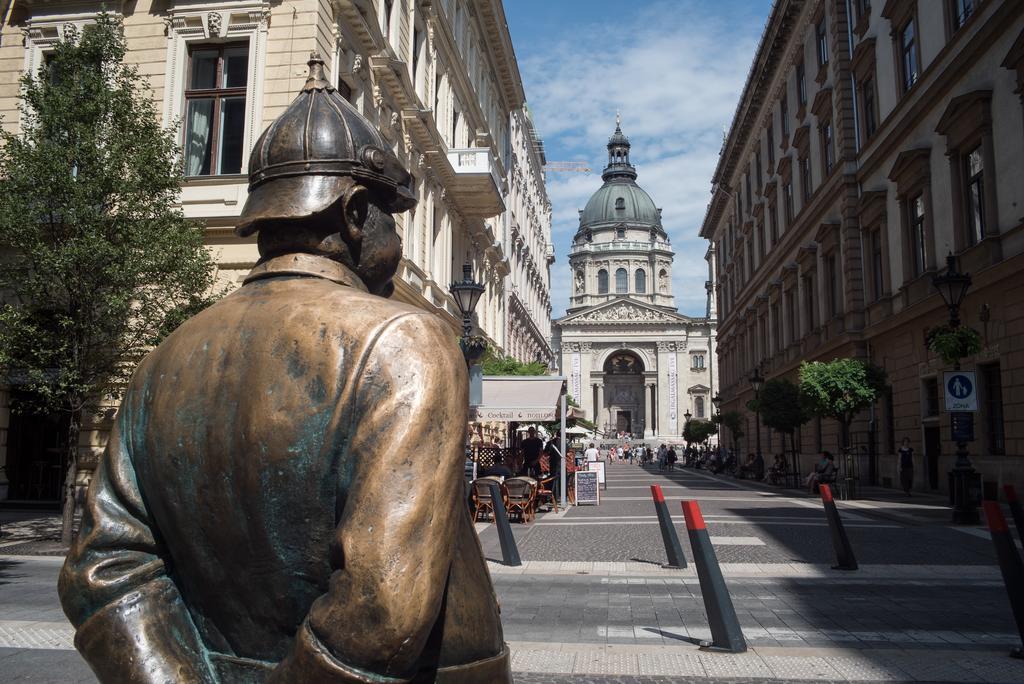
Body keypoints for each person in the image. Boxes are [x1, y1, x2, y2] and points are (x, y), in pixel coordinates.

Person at [58, 55, 510, 682]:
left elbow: (103, 566)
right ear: (355, 215)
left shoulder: (167, 353)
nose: (398, 239)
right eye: (391, 213)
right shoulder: (405, 341)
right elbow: (382, 615)